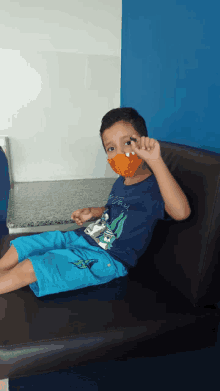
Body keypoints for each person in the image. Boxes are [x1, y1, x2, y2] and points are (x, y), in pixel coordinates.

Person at [0, 107, 191, 297]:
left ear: (143, 142)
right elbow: (119, 210)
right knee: (25, 245)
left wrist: (156, 161)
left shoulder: (156, 186)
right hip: (85, 237)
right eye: (111, 148)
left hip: (107, 257)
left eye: (127, 143)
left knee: (32, 267)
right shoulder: (121, 181)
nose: (120, 153)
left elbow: (181, 212)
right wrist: (95, 211)